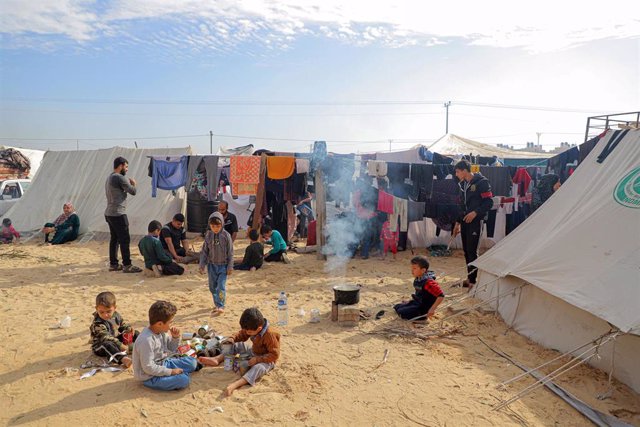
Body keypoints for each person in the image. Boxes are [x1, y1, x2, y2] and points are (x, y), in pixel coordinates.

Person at [198, 307, 280, 396]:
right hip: (254, 351)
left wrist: (257, 360)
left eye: (249, 332)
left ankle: (236, 384)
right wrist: (232, 339)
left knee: (258, 368)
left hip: (267, 359)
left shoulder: (270, 335)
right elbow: (242, 334)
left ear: (259, 329)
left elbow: (274, 354)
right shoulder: (252, 327)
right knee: (236, 345)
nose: (247, 333)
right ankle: (218, 358)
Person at [132, 300, 199, 391]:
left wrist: (175, 338)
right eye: (170, 322)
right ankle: (180, 375)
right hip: (150, 376)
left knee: (192, 362)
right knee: (183, 380)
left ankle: (180, 373)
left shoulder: (161, 332)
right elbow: (148, 368)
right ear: (159, 324)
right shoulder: (146, 340)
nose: (170, 325)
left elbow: (171, 349)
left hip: (164, 363)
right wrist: (171, 372)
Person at [452, 160, 493, 289]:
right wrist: (457, 223)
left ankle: (473, 282)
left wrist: (475, 212)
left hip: (476, 221)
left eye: (458, 172)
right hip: (465, 222)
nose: (456, 174)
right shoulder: (462, 185)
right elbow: (461, 206)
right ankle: (469, 278)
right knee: (466, 251)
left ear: (464, 170)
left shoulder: (482, 183)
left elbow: (489, 203)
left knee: (472, 251)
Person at [104, 157, 142, 273]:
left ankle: (114, 264)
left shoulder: (110, 177)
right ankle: (127, 265)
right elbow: (133, 191)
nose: (127, 169)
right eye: (126, 166)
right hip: (118, 214)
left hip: (109, 213)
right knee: (124, 239)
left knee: (114, 239)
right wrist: (134, 184)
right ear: (120, 166)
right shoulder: (119, 177)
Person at [89, 291, 139, 368]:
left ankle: (145, 345)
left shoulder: (115, 315)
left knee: (135, 333)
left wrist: (128, 329)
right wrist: (120, 345)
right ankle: (123, 359)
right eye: (101, 312)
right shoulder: (98, 322)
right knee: (108, 344)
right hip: (100, 345)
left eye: (109, 311)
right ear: (96, 309)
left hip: (114, 339)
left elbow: (122, 325)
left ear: (114, 308)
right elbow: (105, 337)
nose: (105, 315)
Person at [199, 212, 233, 316]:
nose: (215, 228)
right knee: (212, 287)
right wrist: (202, 265)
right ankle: (216, 303)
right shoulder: (208, 235)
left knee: (221, 286)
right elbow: (204, 251)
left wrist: (230, 266)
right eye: (213, 226)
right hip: (211, 266)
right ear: (210, 226)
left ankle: (221, 305)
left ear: (222, 224)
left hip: (223, 266)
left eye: (218, 226)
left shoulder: (226, 236)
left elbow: (230, 252)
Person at [394, 256, 445, 321]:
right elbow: (419, 294)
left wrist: (432, 309)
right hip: (418, 302)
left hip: (423, 308)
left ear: (423, 270)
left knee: (402, 312)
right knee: (397, 307)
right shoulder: (419, 277)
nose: (412, 271)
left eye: (414, 268)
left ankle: (422, 318)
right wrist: (409, 302)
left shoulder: (428, 282)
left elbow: (441, 296)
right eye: (411, 268)